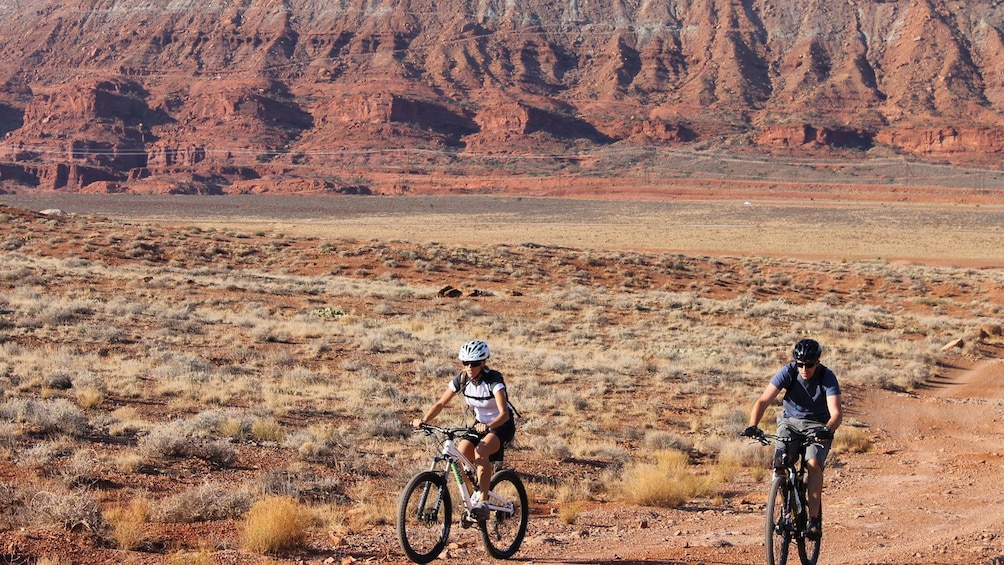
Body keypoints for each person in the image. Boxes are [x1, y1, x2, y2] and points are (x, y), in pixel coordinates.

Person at [742, 338, 842, 541]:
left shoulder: (827, 377)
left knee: (813, 463)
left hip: (818, 426)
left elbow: (836, 413)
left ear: (818, 362)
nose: (804, 369)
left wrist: (827, 429)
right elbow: (763, 400)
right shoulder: (787, 372)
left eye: (809, 365)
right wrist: (753, 425)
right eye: (800, 364)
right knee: (780, 464)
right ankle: (788, 506)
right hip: (789, 424)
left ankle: (813, 520)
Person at [413, 340, 515, 519]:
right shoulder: (462, 380)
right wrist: (424, 420)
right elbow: (441, 403)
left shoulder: (494, 380)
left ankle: (483, 503)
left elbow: (504, 413)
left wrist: (489, 426)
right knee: (459, 455)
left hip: (500, 425)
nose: (469, 367)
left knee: (481, 451)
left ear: (483, 363)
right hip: (479, 424)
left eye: (474, 363)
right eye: (465, 363)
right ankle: (471, 500)